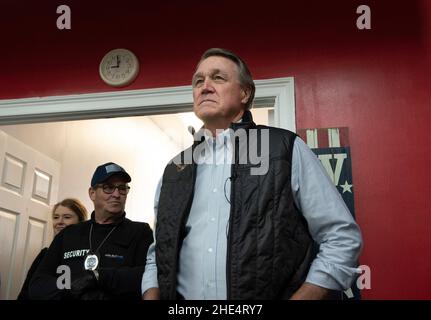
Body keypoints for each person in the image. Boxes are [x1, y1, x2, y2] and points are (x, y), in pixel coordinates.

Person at [142, 48, 363, 300]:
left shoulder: (284, 149)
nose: (205, 87)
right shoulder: (174, 169)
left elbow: (341, 236)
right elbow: (159, 251)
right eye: (198, 81)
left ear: (245, 93)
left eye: (218, 78)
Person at [29, 162, 153, 300]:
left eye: (122, 188)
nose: (117, 194)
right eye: (108, 188)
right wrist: (70, 289)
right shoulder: (68, 234)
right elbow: (38, 284)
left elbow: (149, 275)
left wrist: (98, 277)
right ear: (92, 193)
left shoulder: (140, 232)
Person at [17, 198, 88, 300]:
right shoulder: (44, 254)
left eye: (67, 217)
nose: (59, 222)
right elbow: (26, 291)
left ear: (81, 221)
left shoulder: (86, 254)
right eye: (56, 217)